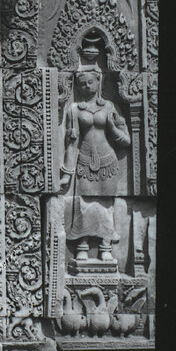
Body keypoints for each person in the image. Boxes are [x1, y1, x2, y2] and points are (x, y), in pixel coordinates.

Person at [60, 61, 130, 262]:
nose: (86, 87)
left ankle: (105, 247)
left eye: (90, 82)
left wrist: (112, 126)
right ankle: (82, 245)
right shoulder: (74, 109)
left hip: (108, 162)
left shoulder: (109, 106)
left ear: (98, 81)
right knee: (84, 204)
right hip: (84, 162)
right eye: (82, 84)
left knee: (105, 204)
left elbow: (126, 141)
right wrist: (66, 173)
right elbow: (71, 144)